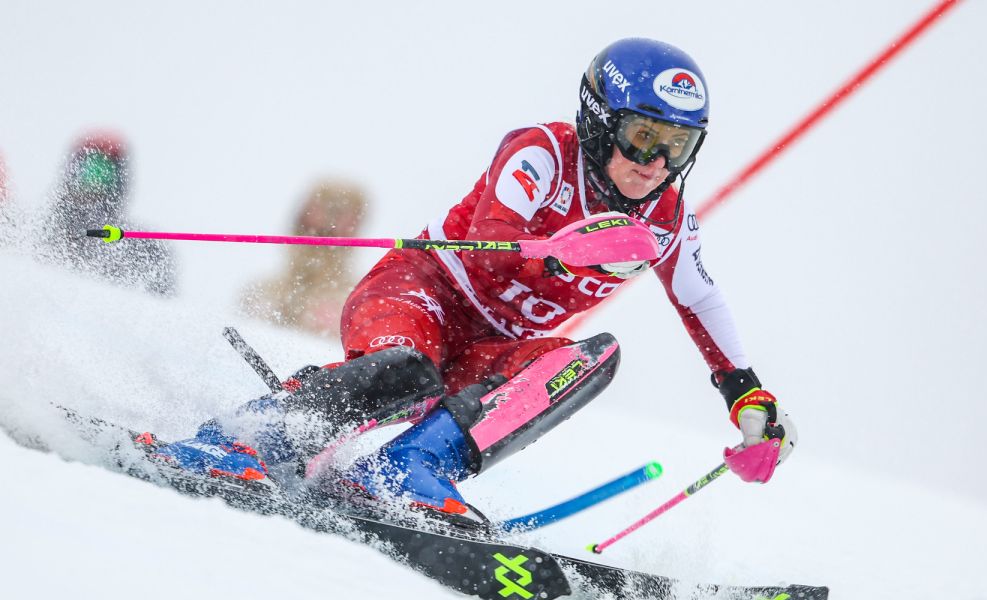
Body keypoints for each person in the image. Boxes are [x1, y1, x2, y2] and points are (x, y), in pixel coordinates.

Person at [154, 38, 797, 524]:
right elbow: (491, 245)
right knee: (410, 370)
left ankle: (408, 469)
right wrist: (570, 256)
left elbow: (701, 301)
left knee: (590, 360)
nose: (655, 164)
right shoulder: (543, 152)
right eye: (642, 137)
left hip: (488, 353)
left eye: (677, 148)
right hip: (422, 295)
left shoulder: (666, 220)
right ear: (601, 121)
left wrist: (749, 398)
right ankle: (245, 437)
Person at [37, 132, 176, 295]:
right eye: (88, 171)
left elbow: (162, 306)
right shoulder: (42, 234)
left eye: (103, 173)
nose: (94, 184)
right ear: (70, 173)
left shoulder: (143, 249)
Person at [239, 179, 368, 337]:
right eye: (322, 208)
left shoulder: (355, 303)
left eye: (342, 214)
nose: (330, 219)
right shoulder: (261, 292)